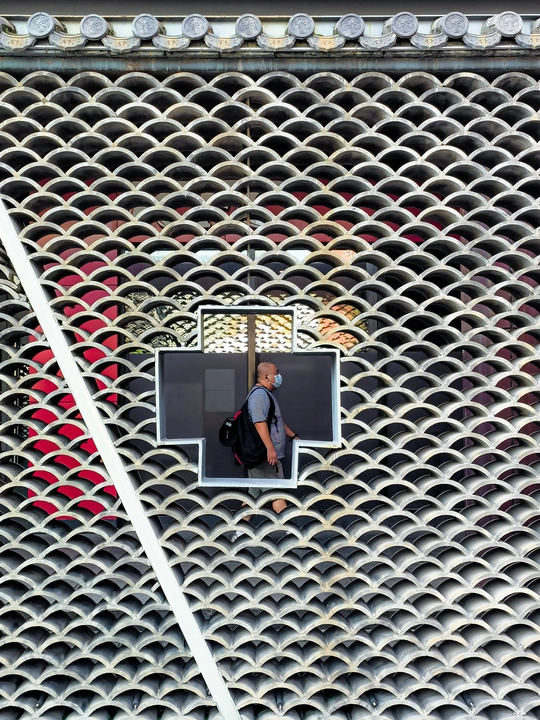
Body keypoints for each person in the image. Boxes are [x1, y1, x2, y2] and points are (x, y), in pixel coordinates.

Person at [232, 361, 299, 541]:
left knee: (253, 496)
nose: (279, 375)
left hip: (263, 455)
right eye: (276, 372)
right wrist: (270, 449)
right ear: (267, 376)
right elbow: (259, 422)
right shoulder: (260, 395)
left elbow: (277, 421)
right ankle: (292, 534)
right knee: (277, 493)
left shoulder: (265, 394)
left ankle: (239, 532)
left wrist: (294, 436)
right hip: (264, 456)